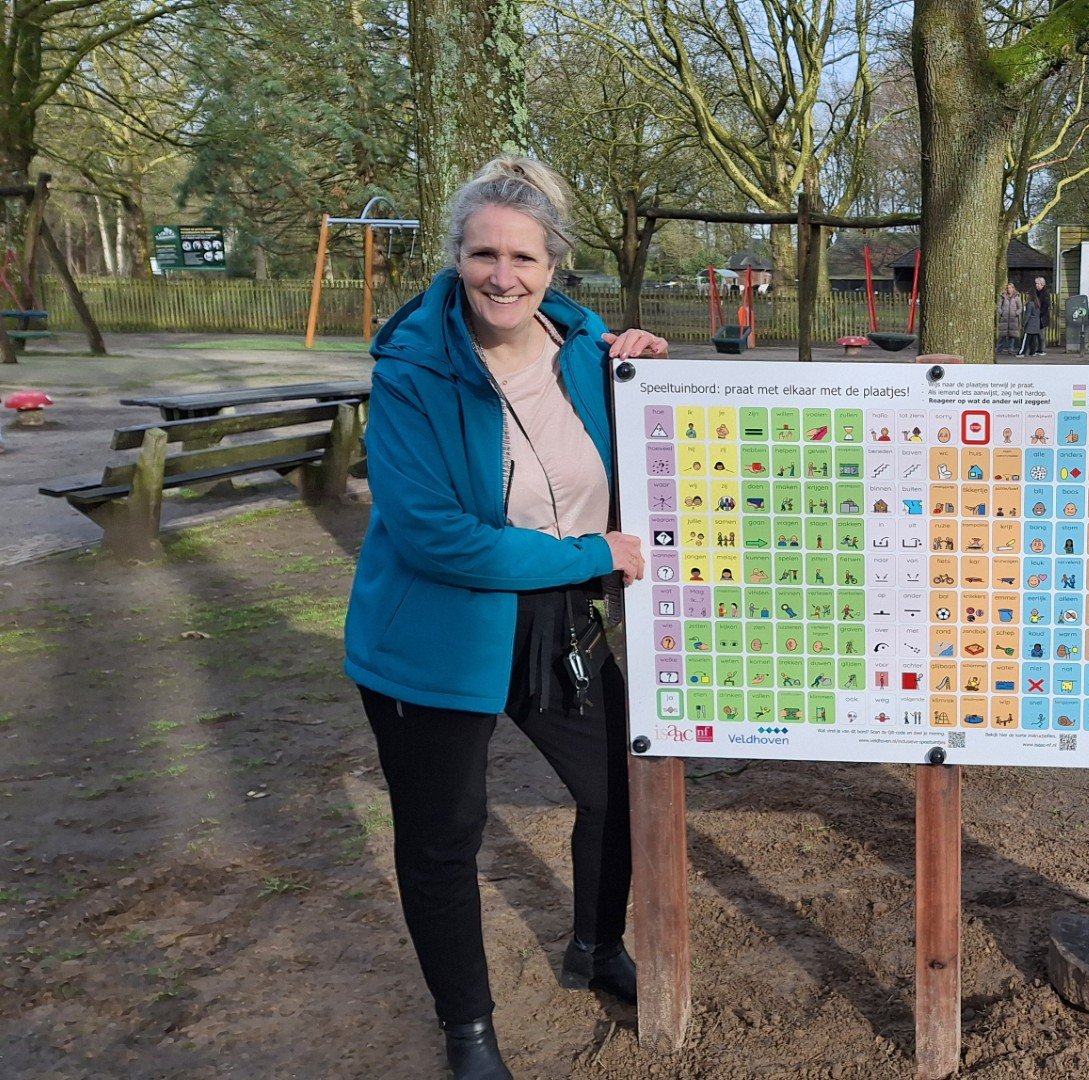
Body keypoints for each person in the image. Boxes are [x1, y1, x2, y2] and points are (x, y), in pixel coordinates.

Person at [343, 156, 668, 1080]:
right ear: (455, 257)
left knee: (614, 788)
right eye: (482, 252)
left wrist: (645, 378)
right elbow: (436, 535)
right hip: (434, 632)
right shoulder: (412, 370)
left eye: (522, 257)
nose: (502, 275)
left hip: (557, 623)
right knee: (446, 833)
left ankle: (597, 948)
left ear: (553, 266)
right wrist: (592, 556)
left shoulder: (584, 356)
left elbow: (649, 453)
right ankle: (468, 1028)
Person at [996, 282, 1023, 355]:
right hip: (1004, 319)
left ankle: (1011, 349)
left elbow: (1020, 308)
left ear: (1013, 288)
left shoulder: (1017, 297)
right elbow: (998, 306)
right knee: (1002, 335)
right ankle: (999, 349)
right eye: (1008, 288)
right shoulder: (1003, 296)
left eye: (1010, 288)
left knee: (1012, 335)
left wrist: (1016, 313)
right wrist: (1001, 312)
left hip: (1013, 319)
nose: (1009, 289)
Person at [1019, 292, 1045, 356]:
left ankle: (1022, 352)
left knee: (1026, 339)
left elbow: (1027, 315)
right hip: (1036, 324)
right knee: (1033, 339)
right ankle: (1032, 352)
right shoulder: (1037, 304)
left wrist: (1023, 323)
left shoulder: (1030, 304)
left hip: (1030, 325)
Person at [1031, 275, 1052, 353]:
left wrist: (1039, 314)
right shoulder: (1035, 292)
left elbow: (1045, 305)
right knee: (1036, 333)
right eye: (1036, 283)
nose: (1036, 285)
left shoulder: (1045, 293)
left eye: (1038, 284)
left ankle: (1041, 349)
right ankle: (1037, 348)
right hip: (1036, 315)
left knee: (1040, 334)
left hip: (1042, 316)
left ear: (1042, 284)